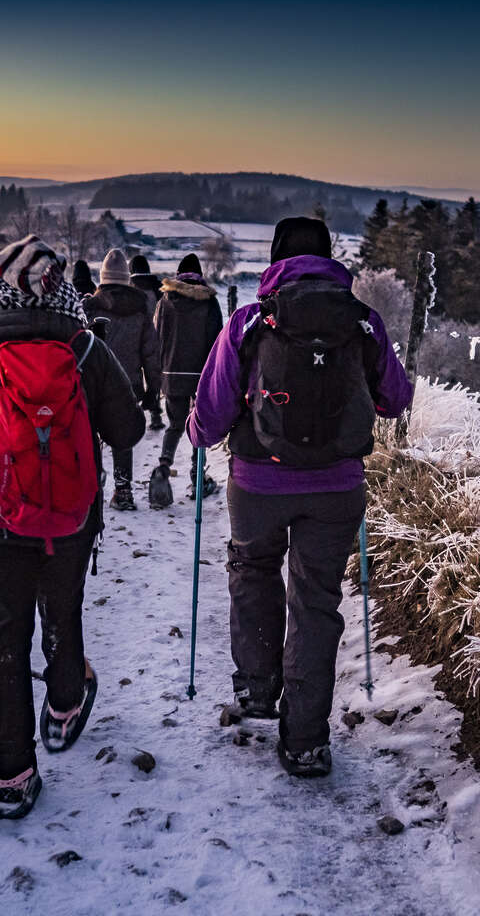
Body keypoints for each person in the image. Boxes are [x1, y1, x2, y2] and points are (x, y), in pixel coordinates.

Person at [0, 235, 145, 818]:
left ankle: (12, 778)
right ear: (59, 284)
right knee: (63, 610)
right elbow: (128, 431)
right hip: (70, 518)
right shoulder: (85, 346)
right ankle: (66, 706)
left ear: (0, 283)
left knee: (6, 630)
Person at [186, 217, 412, 778]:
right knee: (315, 602)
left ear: (276, 259)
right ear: (330, 259)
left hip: (258, 483)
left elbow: (211, 415)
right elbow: (395, 399)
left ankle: (258, 688)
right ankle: (306, 741)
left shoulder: (249, 320)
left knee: (252, 569)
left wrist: (195, 431)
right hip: (337, 488)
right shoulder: (364, 322)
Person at [84, 248, 161, 510]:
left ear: (103, 277)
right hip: (129, 385)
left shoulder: (90, 308)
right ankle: (123, 490)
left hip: (93, 384)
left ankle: (91, 487)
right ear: (126, 278)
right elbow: (151, 352)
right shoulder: (140, 310)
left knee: (89, 436)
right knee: (122, 437)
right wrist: (153, 389)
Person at [149, 253, 223, 508]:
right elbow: (217, 341)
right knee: (198, 426)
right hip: (201, 375)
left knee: (175, 425)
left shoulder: (165, 301)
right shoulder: (209, 302)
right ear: (199, 275)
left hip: (171, 374)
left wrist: (159, 372)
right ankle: (197, 476)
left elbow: (157, 336)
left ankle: (163, 468)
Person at [129, 253, 164, 430]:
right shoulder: (157, 288)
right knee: (153, 377)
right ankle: (155, 413)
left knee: (134, 377)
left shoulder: (129, 289)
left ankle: (133, 415)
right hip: (156, 338)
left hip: (134, 338)